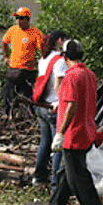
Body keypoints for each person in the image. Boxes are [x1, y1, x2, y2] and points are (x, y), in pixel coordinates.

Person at [46, 39, 103, 205]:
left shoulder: (71, 76)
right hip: (87, 129)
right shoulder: (89, 74)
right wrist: (61, 105)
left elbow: (72, 104)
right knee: (66, 172)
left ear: (64, 57)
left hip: (73, 133)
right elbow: (78, 101)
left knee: (78, 177)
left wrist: (60, 132)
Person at [33, 30, 68, 188]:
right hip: (54, 107)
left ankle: (39, 178)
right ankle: (56, 183)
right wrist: (61, 102)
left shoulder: (43, 58)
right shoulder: (59, 60)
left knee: (45, 143)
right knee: (58, 147)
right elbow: (58, 84)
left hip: (42, 106)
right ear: (60, 41)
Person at [1, 7, 43, 116]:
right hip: (13, 69)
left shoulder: (35, 33)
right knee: (8, 97)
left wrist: (37, 62)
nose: (18, 21)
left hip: (28, 71)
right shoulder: (13, 30)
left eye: (21, 18)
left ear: (27, 20)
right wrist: (6, 57)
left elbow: (45, 50)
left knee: (29, 98)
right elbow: (4, 42)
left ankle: (29, 117)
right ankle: (8, 117)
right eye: (17, 18)